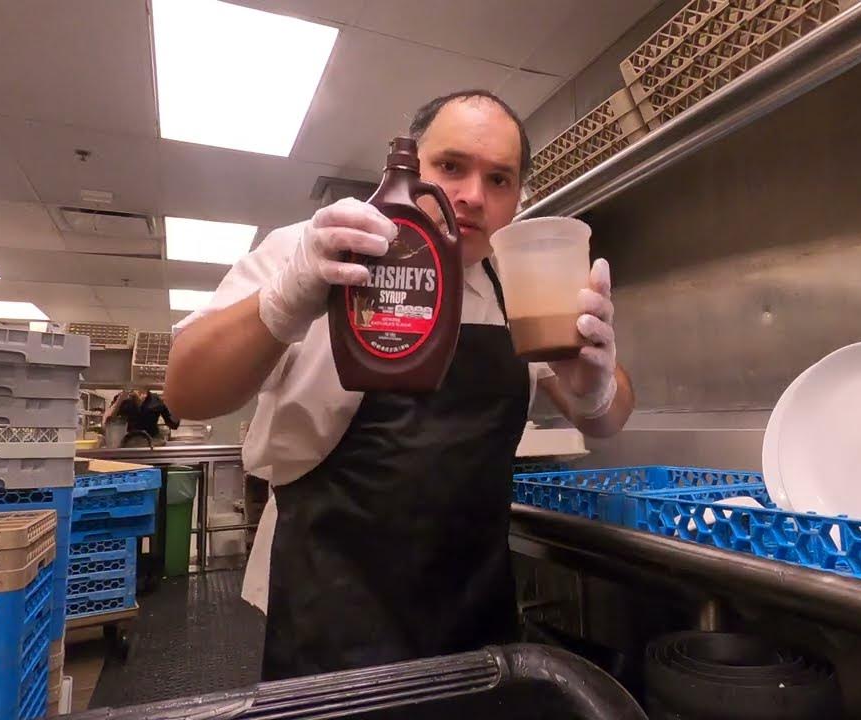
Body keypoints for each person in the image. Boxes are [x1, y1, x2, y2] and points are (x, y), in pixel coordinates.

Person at [164, 89, 634, 681]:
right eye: (452, 167)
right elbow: (185, 391)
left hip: (475, 615)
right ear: (413, 166)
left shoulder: (519, 284)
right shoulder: (319, 250)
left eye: (500, 180)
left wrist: (591, 386)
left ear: (518, 198)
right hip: (332, 610)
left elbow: (609, 417)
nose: (471, 196)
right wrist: (290, 296)